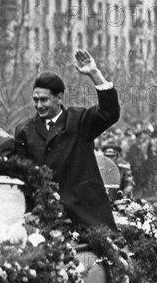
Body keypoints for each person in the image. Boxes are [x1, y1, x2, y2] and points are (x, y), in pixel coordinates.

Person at [14, 49, 120, 230]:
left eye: (44, 100)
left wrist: (95, 74)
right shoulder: (24, 130)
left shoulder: (79, 120)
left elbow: (109, 112)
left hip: (85, 216)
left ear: (59, 98)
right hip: (43, 218)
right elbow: (23, 177)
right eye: (36, 100)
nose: (39, 105)